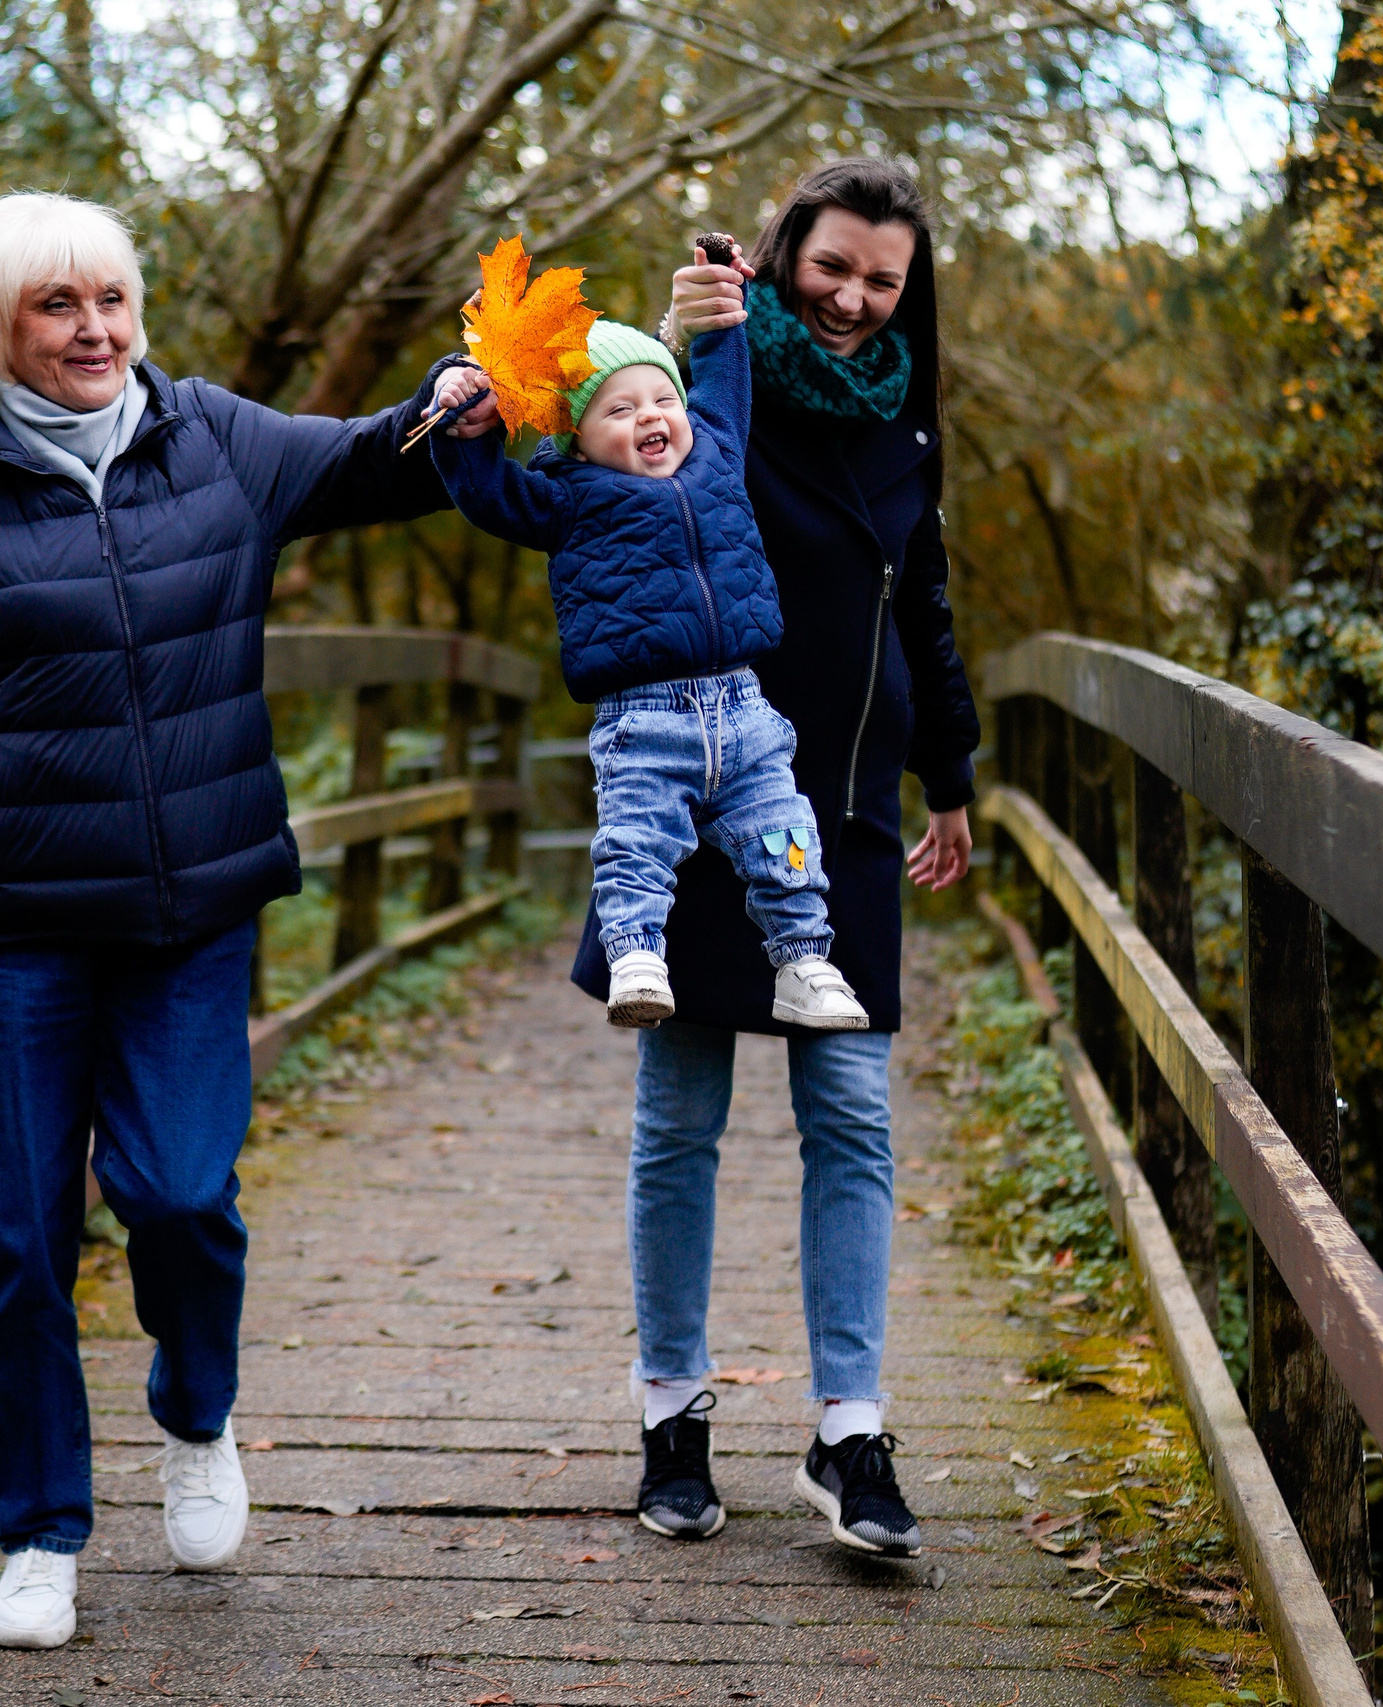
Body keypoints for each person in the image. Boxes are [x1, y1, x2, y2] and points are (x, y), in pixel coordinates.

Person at [0, 192, 496, 1650]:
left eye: (110, 298)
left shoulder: (210, 435)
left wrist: (452, 394)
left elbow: (376, 458)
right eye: (57, 305)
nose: (95, 329)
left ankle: (196, 1411)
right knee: (14, 1233)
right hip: (14, 923)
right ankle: (41, 1530)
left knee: (177, 1192)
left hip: (189, 912)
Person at [572, 160, 981, 1556]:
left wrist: (951, 772)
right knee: (680, 1114)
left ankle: (848, 1429)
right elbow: (614, 456)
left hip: (843, 805)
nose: (855, 297)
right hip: (696, 789)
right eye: (832, 267)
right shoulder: (711, 387)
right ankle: (672, 1412)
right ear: (783, 255)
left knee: (852, 1115)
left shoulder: (909, 425)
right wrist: (680, 334)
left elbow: (924, 600)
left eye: (883, 279)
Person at [422, 304, 869, 1033]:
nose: (652, 416)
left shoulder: (717, 452)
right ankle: (634, 957)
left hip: (746, 711)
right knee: (636, 844)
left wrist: (721, 308)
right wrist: (456, 403)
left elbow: (724, 376)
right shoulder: (564, 497)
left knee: (784, 836)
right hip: (643, 720)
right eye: (620, 409)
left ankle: (803, 963)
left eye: (664, 397)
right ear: (576, 436)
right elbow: (483, 490)